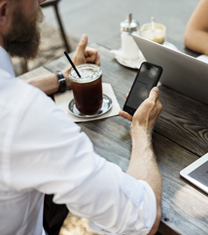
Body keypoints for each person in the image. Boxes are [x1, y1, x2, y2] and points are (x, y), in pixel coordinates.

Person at [0, 1, 162, 235]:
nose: (39, 6)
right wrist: (141, 129)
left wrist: (63, 78)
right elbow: (141, 218)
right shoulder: (23, 113)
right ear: (3, 11)